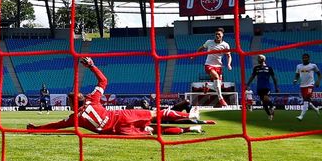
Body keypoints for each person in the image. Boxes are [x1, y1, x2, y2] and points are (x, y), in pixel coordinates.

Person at [27, 57, 214, 135]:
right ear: (82, 98)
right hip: (123, 116)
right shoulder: (92, 98)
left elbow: (55, 126)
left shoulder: (74, 119)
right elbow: (103, 81)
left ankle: (190, 129)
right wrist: (92, 65)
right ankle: (189, 117)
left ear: (71, 104)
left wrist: (36, 128)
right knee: (157, 114)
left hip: (117, 131)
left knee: (152, 132)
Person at [196, 28, 232, 107]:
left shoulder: (225, 45)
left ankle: (208, 85)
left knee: (218, 85)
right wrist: (195, 55)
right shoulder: (209, 42)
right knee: (216, 78)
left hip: (219, 66)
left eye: (219, 34)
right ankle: (221, 99)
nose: (217, 35)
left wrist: (229, 64)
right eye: (216, 34)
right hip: (209, 65)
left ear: (222, 35)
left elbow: (229, 56)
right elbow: (201, 48)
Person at [246, 54, 280, 120]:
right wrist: (247, 84)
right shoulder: (256, 68)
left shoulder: (269, 68)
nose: (257, 59)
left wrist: (276, 87)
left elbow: (274, 78)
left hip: (266, 86)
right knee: (264, 103)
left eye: (259, 58)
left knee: (266, 98)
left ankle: (272, 106)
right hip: (259, 87)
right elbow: (252, 77)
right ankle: (270, 115)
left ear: (263, 59)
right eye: (258, 58)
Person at [293, 53, 322, 121]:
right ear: (302, 58)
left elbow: (319, 74)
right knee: (307, 101)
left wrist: (318, 81)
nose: (305, 59)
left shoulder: (313, 65)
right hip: (302, 86)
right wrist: (295, 80)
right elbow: (297, 75)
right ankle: (316, 109)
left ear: (309, 58)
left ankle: (301, 116)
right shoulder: (299, 66)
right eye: (303, 57)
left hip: (310, 85)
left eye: (306, 57)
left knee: (306, 98)